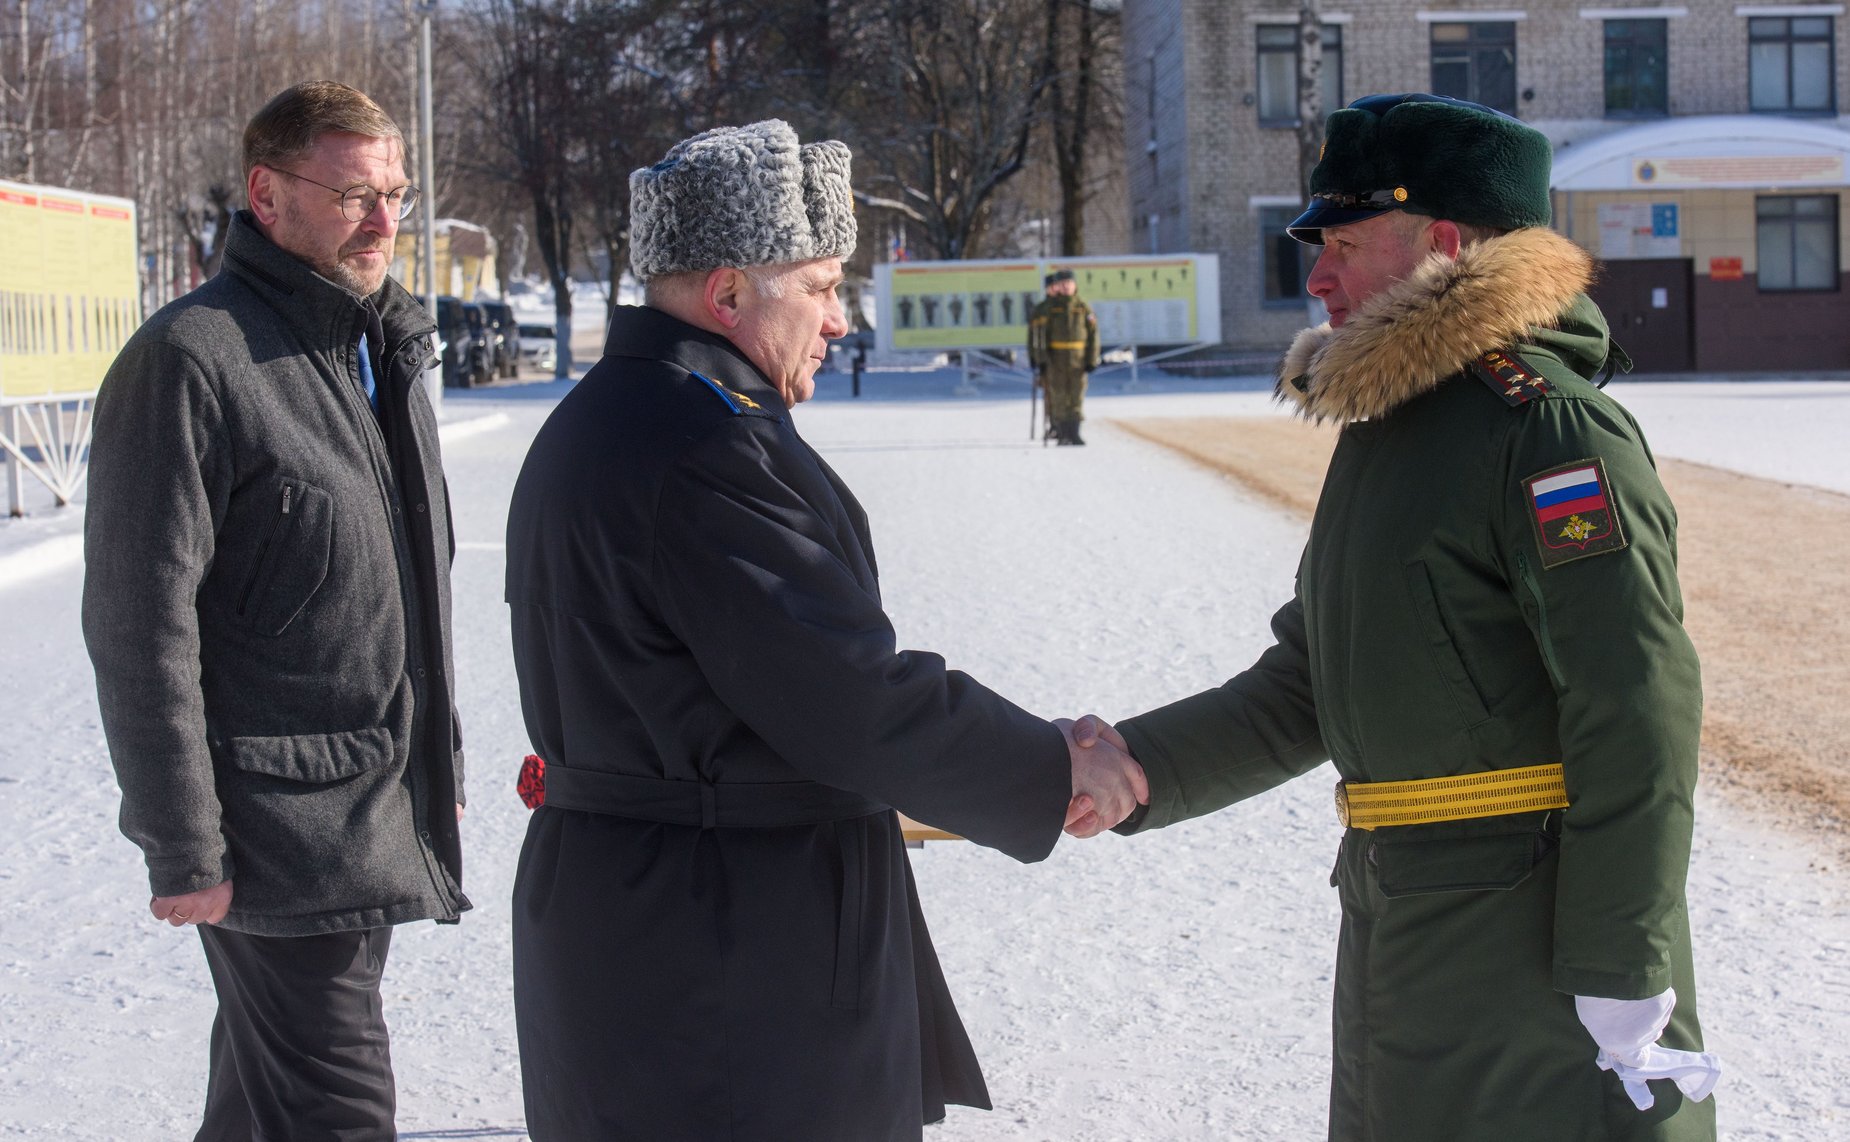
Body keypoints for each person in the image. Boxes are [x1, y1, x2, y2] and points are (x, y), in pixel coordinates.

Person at [1068, 93, 1721, 1139]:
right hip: (1403, 920)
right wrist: (1137, 766)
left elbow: (1638, 707)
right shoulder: (1394, 431)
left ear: (1446, 247)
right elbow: (1313, 678)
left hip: (1530, 946)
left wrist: (1619, 959)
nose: (1316, 277)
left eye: (1345, 244)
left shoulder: (1546, 429)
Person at [504, 119, 1147, 1141]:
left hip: (664, 918)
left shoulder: (626, 412)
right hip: (725, 951)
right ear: (728, 294)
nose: (839, 320)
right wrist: (1049, 764)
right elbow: (847, 695)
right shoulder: (701, 443)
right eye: (819, 286)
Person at [81, 81, 467, 1140]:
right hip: (275, 835)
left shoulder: (378, 347)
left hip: (366, 807)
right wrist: (183, 844)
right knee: (339, 1113)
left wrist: (433, 773)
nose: (383, 222)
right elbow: (139, 622)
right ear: (266, 194)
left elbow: (398, 594)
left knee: (260, 1107)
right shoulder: (191, 360)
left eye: (395, 194)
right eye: (353, 196)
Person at [1027, 268, 1099, 445]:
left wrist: (1092, 359)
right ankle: (1061, 432)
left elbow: (1093, 335)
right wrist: (1040, 359)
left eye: (1069, 283)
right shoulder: (1050, 308)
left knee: (1076, 396)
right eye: (1062, 284)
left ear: (1075, 285)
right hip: (1056, 360)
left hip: (1078, 360)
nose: (1066, 287)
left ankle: (1074, 432)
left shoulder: (1083, 307)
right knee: (1058, 396)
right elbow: (1040, 336)